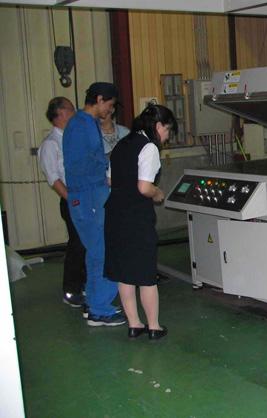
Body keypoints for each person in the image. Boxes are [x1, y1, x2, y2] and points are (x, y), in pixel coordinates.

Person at [104, 104, 177, 340]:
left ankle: (134, 324)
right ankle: (154, 327)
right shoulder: (149, 147)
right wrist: (158, 193)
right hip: (136, 218)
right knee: (146, 275)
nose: (167, 136)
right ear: (158, 126)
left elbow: (110, 180)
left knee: (124, 274)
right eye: (167, 130)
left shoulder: (121, 144)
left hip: (115, 215)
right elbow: (144, 187)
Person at [63, 82, 126, 327]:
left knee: (95, 252)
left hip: (86, 195)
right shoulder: (83, 125)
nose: (110, 110)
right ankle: (100, 309)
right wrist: (109, 166)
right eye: (110, 105)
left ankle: (93, 302)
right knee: (104, 252)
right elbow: (86, 163)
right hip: (89, 196)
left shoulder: (80, 123)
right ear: (99, 100)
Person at [38, 97, 86, 307]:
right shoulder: (51, 144)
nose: (75, 113)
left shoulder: (72, 138)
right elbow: (54, 178)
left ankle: (84, 284)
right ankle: (71, 290)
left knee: (86, 243)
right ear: (61, 113)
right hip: (71, 200)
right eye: (71, 109)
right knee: (77, 244)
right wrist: (72, 200)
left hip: (84, 197)